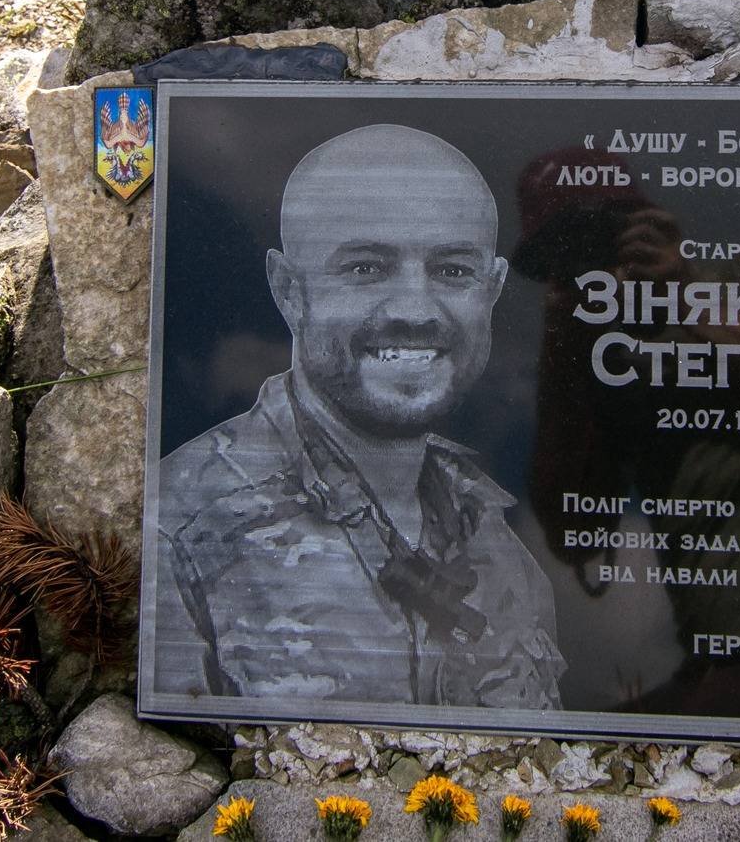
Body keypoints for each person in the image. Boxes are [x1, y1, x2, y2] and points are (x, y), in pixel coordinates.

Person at [152, 124, 567, 709]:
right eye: (366, 268)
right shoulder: (180, 533)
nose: (415, 310)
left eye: (453, 271)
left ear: (494, 288)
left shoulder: (504, 551)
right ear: (288, 290)